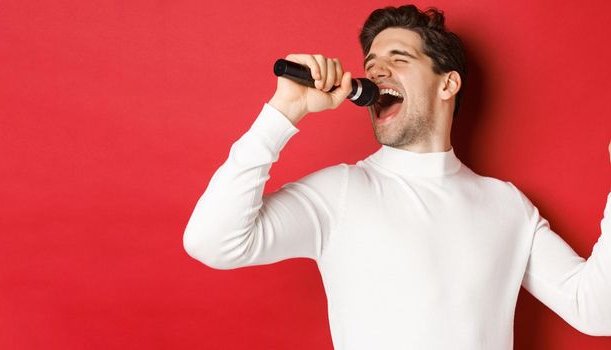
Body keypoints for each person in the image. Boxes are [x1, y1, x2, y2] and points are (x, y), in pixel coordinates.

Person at [183, 4, 611, 349]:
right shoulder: (340, 193)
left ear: (448, 85)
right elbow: (212, 242)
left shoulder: (506, 205)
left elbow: (595, 312)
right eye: (372, 63)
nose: (377, 71)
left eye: (398, 59)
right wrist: (284, 110)